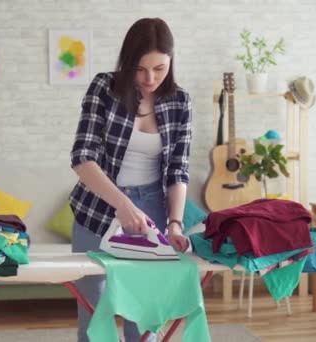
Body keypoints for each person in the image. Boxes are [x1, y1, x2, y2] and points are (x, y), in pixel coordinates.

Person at [69, 17, 192, 342]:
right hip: (97, 208)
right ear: (127, 62)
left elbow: (178, 170)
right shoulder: (104, 88)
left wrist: (175, 224)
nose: (149, 78)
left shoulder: (180, 102)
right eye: (140, 69)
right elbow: (82, 157)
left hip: (152, 208)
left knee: (144, 314)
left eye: (159, 68)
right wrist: (122, 204)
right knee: (95, 315)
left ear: (171, 62)